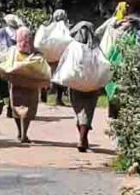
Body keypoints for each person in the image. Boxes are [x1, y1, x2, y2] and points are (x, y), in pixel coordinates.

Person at [69, 21, 102, 153]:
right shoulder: (96, 47)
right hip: (92, 84)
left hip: (75, 83)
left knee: (79, 111)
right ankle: (83, 138)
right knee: (88, 111)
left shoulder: (73, 47)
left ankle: (82, 139)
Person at [9, 26, 41, 144]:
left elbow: (7, 66)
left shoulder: (13, 51)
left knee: (16, 107)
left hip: (16, 83)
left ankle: (19, 132)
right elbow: (42, 69)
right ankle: (24, 133)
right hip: (31, 84)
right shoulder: (36, 52)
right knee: (29, 108)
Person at [41, 9, 69, 106]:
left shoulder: (50, 26)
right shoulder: (64, 28)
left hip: (48, 57)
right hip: (60, 58)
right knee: (60, 77)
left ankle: (44, 90)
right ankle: (58, 98)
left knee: (47, 76)